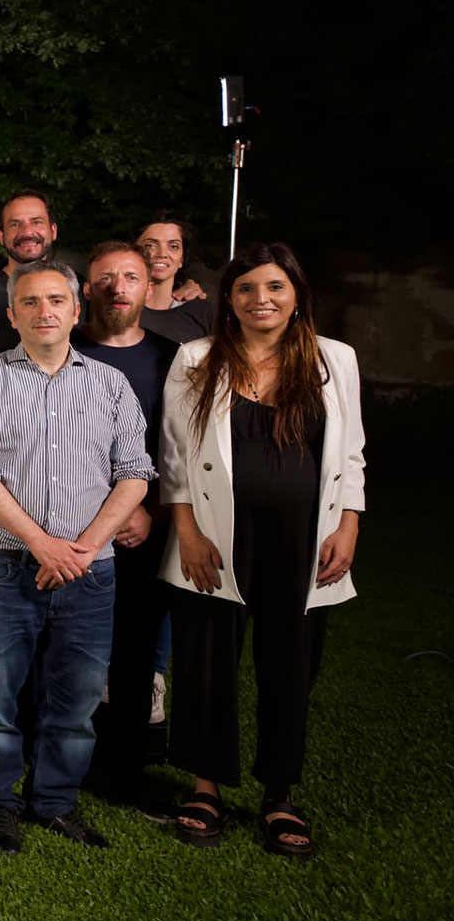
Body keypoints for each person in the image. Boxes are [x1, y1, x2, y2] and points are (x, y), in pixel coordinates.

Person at [160, 242, 364, 864]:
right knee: (206, 661)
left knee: (292, 664)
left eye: (274, 287)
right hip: (216, 537)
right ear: (230, 300)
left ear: (297, 294)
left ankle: (279, 793)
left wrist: (349, 523)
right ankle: (205, 785)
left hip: (305, 537)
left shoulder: (335, 360)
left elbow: (351, 451)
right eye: (246, 288)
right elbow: (173, 457)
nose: (260, 299)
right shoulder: (196, 359)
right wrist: (188, 533)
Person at [0, 260, 154, 854]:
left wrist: (84, 549)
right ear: (11, 314)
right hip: (4, 565)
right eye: (32, 302)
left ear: (76, 309)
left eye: (57, 301)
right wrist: (41, 544)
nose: (45, 311)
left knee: (79, 696)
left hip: (90, 572)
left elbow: (135, 474)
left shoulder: (111, 385)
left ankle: (57, 802)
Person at [71, 242, 180, 808]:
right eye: (106, 278)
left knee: (135, 654)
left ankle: (126, 770)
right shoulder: (63, 348)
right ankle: (67, 760)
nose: (118, 287)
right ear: (87, 289)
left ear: (147, 286)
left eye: (130, 277)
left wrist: (152, 507)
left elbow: (184, 446)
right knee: (72, 652)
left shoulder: (174, 358)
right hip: (71, 529)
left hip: (144, 530)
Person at [0, 189, 62, 364]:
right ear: (1, 236)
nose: (27, 232)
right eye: (15, 224)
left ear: (53, 231)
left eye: (37, 222)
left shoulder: (76, 288)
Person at [137, 217, 216, 345]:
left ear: (182, 259)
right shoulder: (112, 307)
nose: (162, 254)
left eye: (173, 246)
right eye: (150, 246)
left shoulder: (203, 313)